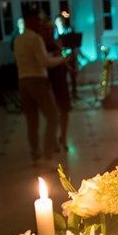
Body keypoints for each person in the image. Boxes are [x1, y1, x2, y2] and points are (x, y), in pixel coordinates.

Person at [14, 9, 65, 167]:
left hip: (23, 82)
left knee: (32, 120)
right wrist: (62, 59)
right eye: (38, 20)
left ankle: (35, 155)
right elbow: (44, 63)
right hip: (37, 81)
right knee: (53, 116)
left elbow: (35, 59)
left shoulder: (18, 40)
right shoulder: (36, 39)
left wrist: (51, 57)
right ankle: (47, 156)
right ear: (31, 21)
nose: (40, 23)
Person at [40, 19, 71, 152]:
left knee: (65, 111)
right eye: (45, 30)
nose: (48, 32)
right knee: (52, 114)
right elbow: (44, 62)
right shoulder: (40, 46)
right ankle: (53, 141)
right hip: (48, 82)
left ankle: (63, 138)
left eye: (50, 29)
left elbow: (62, 60)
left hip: (61, 81)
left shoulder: (57, 43)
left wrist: (70, 68)